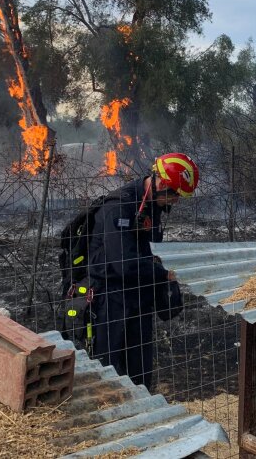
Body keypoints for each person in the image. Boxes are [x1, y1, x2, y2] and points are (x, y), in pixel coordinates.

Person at [60, 152, 199, 388]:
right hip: (109, 299)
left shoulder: (152, 205)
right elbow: (123, 264)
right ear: (162, 183)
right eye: (175, 194)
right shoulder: (119, 207)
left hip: (138, 297)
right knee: (109, 373)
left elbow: (149, 251)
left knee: (140, 374)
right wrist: (164, 274)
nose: (176, 200)